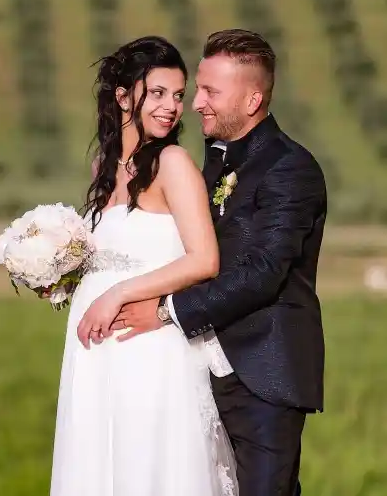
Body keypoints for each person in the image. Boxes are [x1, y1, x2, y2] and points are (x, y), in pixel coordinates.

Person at [95, 29, 327, 496]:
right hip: (194, 372)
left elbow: (263, 274)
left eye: (209, 92)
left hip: (262, 376)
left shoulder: (290, 168)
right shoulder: (214, 161)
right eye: (196, 90)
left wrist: (165, 311)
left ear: (252, 99)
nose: (196, 104)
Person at [48, 35, 238, 496]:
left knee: (147, 464)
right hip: (96, 351)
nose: (171, 107)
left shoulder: (173, 163)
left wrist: (117, 293)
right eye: (157, 93)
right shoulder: (103, 166)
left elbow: (204, 259)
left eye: (178, 94)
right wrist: (60, 278)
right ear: (123, 96)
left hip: (148, 345)